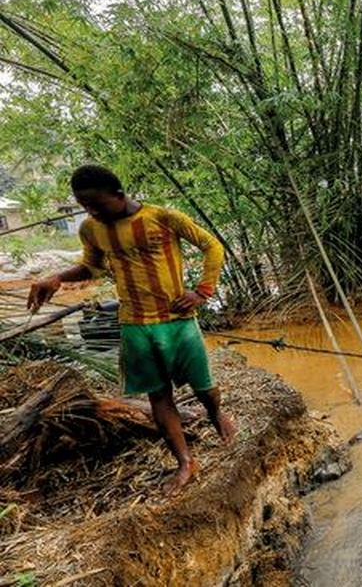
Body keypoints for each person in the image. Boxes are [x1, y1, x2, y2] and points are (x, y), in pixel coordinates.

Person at [27, 164, 235, 495]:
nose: (91, 211)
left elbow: (213, 246)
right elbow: (91, 267)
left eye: (97, 204)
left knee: (204, 388)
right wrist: (57, 277)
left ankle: (216, 414)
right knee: (158, 395)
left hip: (177, 321)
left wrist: (202, 292)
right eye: (85, 206)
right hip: (135, 323)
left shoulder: (163, 218)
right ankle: (186, 462)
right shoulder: (91, 229)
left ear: (119, 195)